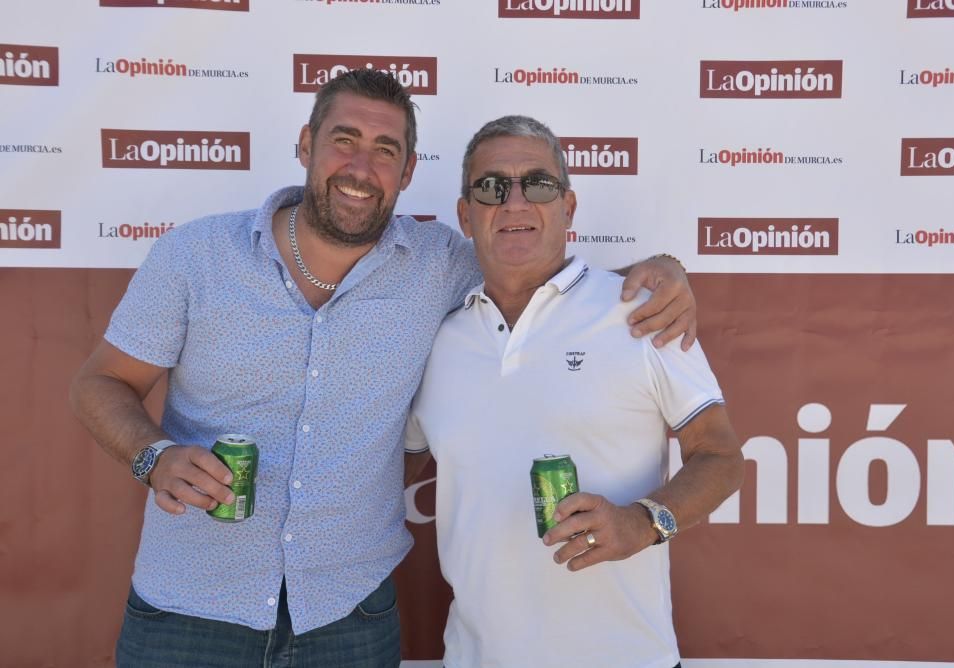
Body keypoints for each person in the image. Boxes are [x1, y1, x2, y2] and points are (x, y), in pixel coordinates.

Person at [68, 70, 698, 667]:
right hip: (189, 607)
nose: (361, 167)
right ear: (307, 144)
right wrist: (153, 456)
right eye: (344, 140)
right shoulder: (196, 256)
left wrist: (667, 267)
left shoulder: (439, 264)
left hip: (347, 618)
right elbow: (102, 382)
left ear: (407, 172)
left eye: (385, 149)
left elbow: (531, 253)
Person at [404, 115, 745, 668]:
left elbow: (722, 457)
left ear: (568, 207)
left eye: (537, 184)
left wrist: (643, 522)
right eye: (491, 188)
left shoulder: (642, 312)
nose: (514, 203)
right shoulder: (437, 343)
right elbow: (391, 469)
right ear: (467, 216)